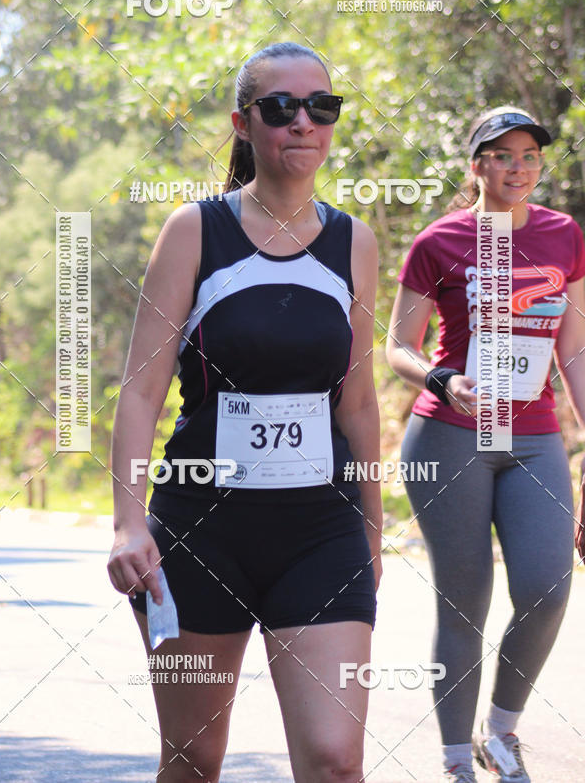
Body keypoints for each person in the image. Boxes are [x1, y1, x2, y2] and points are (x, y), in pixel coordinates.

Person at [107, 42, 383, 783]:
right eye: (281, 108)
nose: (303, 122)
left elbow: (358, 401)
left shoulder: (355, 242)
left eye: (320, 107)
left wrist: (373, 529)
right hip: (202, 531)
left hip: (319, 532)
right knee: (195, 760)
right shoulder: (195, 231)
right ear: (243, 122)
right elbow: (140, 389)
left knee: (334, 761)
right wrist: (128, 521)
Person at [386, 105, 585, 783]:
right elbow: (397, 347)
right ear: (477, 166)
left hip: (533, 436)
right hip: (450, 435)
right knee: (463, 601)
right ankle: (453, 759)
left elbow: (576, 349)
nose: (519, 167)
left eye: (530, 155)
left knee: (548, 587)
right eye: (502, 156)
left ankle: (500, 732)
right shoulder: (439, 241)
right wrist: (444, 380)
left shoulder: (564, 235)